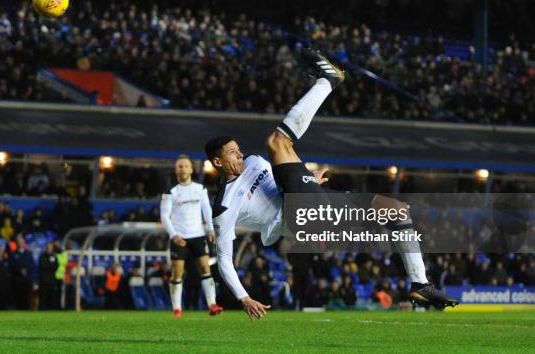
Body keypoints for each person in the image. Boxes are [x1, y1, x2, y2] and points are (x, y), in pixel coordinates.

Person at [205, 49, 459, 320]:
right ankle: (327, 81)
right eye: (232, 152)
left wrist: (309, 181)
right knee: (277, 142)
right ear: (218, 163)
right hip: (299, 218)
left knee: (395, 209)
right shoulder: (224, 205)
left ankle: (420, 283)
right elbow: (223, 261)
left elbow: (284, 176)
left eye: (238, 149)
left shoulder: (255, 162)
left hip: (311, 199)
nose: (240, 153)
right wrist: (243, 297)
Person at [160, 155, 223, 317]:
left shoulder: (199, 188)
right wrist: (174, 235)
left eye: (185, 166)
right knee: (177, 272)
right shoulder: (170, 191)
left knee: (205, 269)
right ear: (176, 170)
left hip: (198, 236)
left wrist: (210, 229)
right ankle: (176, 308)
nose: (183, 169)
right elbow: (164, 216)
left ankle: (212, 305)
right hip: (179, 238)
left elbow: (207, 210)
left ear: (191, 169)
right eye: (180, 166)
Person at [38, 242, 58, 310]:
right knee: (43, 297)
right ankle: (42, 311)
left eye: (50, 247)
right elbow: (43, 266)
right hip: (44, 280)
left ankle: (52, 311)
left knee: (52, 297)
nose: (49, 248)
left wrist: (48, 265)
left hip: (52, 279)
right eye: (48, 247)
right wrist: (50, 265)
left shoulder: (54, 256)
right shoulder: (42, 256)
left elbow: (56, 266)